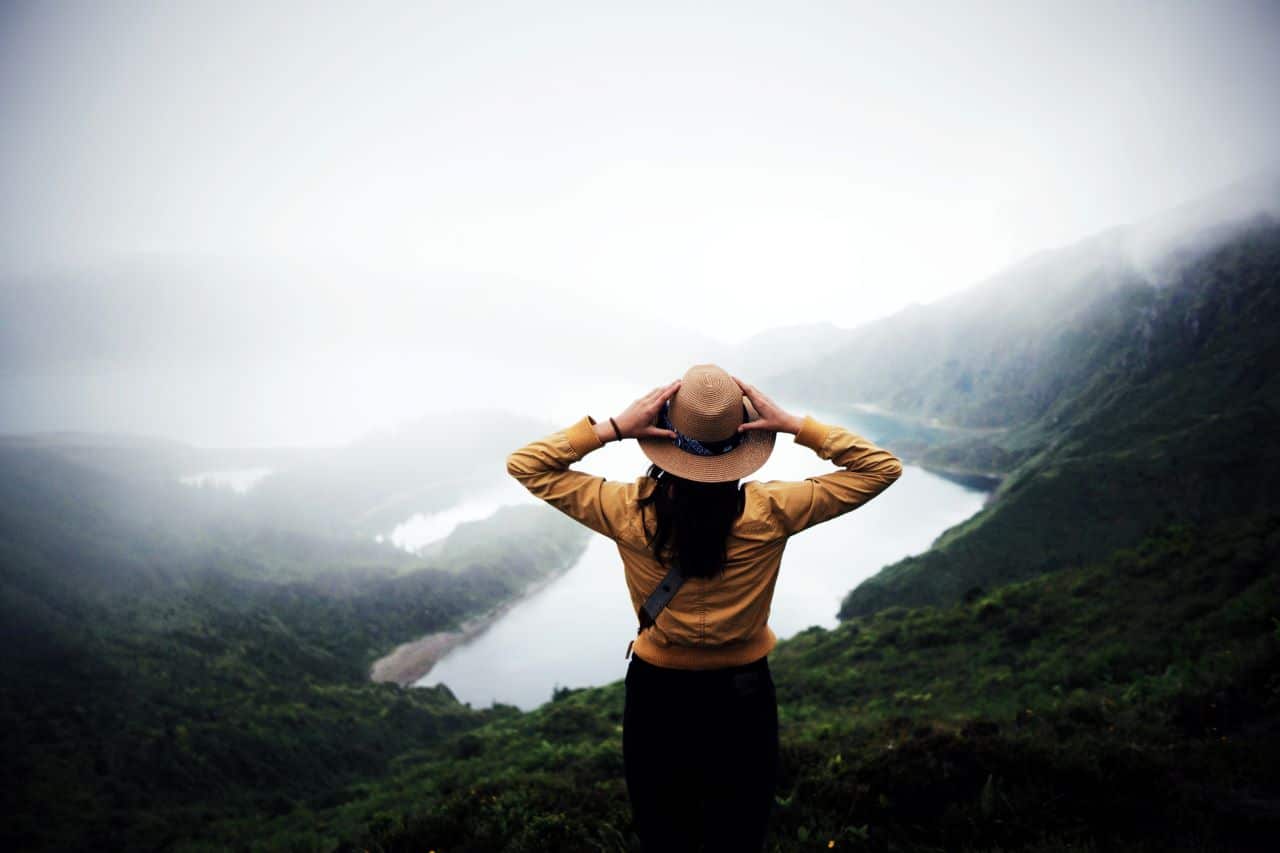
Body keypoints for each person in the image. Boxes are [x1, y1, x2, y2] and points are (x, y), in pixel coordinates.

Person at [505, 363, 903, 853]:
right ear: (742, 442)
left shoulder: (627, 509)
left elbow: (526, 464)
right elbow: (882, 468)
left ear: (666, 437)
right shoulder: (772, 512)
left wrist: (613, 428)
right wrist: (795, 425)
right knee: (738, 834)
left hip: (657, 695)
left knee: (664, 833)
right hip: (743, 695)